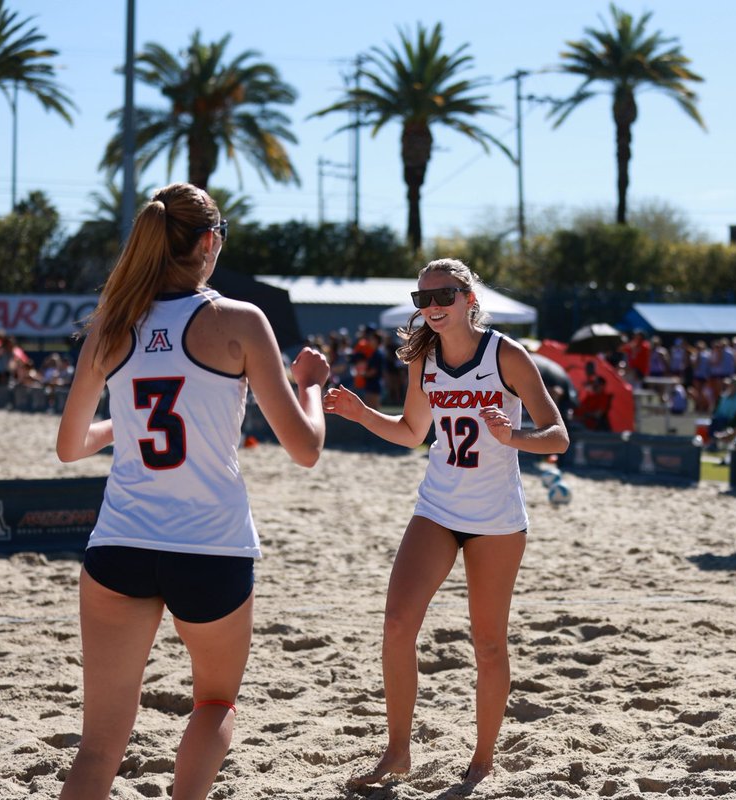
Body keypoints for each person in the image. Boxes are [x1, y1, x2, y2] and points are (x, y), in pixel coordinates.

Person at [54, 183, 329, 800]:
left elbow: (70, 446)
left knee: (97, 749)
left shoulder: (111, 327)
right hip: (211, 547)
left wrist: (121, 427)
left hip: (120, 544)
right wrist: (309, 385)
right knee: (213, 702)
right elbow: (305, 449)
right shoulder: (237, 321)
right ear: (208, 242)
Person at [323, 258, 569, 787]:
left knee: (488, 643)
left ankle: (482, 759)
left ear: (469, 299)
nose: (432, 307)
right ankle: (397, 752)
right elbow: (414, 431)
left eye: (444, 296)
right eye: (423, 299)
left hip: (497, 519)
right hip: (436, 508)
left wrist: (515, 439)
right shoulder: (423, 357)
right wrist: (361, 412)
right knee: (395, 626)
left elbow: (558, 435)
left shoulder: (507, 353)